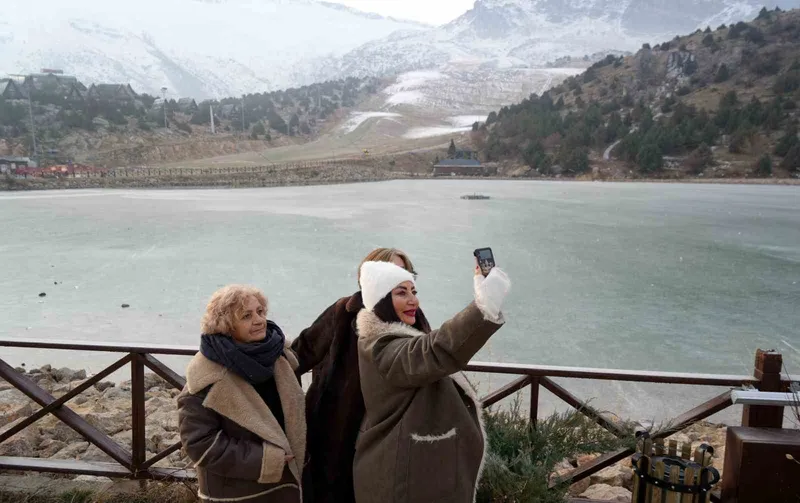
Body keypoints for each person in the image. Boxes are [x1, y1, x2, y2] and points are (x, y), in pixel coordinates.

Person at [353, 260, 510, 503]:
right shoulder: (382, 347)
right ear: (381, 300)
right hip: (404, 480)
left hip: (412, 472)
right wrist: (483, 307)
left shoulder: (393, 339)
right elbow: (434, 350)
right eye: (401, 293)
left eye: (413, 291)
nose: (413, 300)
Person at [290, 248, 429, 503]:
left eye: (406, 273)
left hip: (386, 433)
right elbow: (300, 354)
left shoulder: (414, 318)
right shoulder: (344, 312)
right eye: (392, 272)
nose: (402, 279)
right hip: (335, 430)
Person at [178, 285, 306, 503]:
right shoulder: (206, 376)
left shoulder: (278, 356)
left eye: (260, 312)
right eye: (247, 316)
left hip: (287, 487)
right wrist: (265, 460)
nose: (259, 320)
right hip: (238, 494)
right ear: (226, 325)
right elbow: (199, 443)